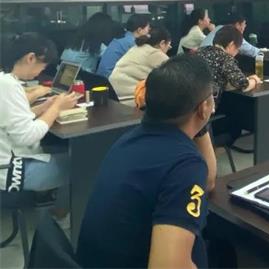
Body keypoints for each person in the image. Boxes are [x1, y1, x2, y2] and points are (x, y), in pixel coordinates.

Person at [77, 54, 217, 268]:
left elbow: (208, 182)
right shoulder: (185, 165)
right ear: (204, 107)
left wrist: (200, 124)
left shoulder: (129, 140)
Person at [0, 33, 78, 209]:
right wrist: (56, 108)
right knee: (84, 164)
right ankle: (61, 213)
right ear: (30, 58)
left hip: (10, 160)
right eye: (42, 67)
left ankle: (54, 207)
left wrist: (43, 108)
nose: (40, 72)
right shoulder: (8, 86)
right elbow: (27, 136)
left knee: (72, 153)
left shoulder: (5, 80)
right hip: (13, 171)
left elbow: (11, 120)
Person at [109, 26, 171, 102]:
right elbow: (176, 77)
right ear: (162, 43)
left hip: (113, 99)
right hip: (131, 102)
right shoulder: (155, 53)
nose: (168, 50)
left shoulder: (136, 48)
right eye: (169, 46)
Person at [197, 25, 260, 94]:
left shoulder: (200, 51)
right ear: (231, 44)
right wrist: (254, 80)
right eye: (237, 49)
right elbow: (243, 85)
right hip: (209, 99)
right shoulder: (225, 58)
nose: (237, 52)